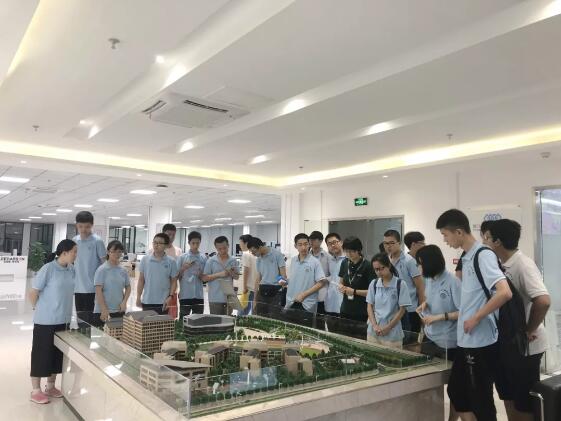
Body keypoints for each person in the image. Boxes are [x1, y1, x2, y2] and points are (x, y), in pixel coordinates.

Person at [437, 209, 512, 421]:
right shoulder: (467, 256)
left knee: (481, 401)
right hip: (467, 340)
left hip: (481, 341)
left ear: (459, 232)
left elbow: (504, 292)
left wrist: (476, 317)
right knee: (457, 391)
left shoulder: (483, 255)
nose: (445, 240)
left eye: (445, 235)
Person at [487, 219, 550, 421]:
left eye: (487, 238)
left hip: (526, 346)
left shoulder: (522, 264)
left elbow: (543, 301)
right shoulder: (501, 264)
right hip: (509, 343)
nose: (484, 242)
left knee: (523, 402)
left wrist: (528, 330)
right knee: (508, 394)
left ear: (497, 241)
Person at [28, 239, 77, 404]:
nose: (76, 255)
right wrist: (38, 308)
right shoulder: (48, 268)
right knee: (41, 355)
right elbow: (33, 292)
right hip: (45, 321)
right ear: (64, 252)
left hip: (63, 320)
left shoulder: (71, 269)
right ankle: (35, 390)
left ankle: (50, 386)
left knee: (57, 355)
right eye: (74, 252)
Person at [415, 245, 460, 360]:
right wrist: (425, 304)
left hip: (447, 341)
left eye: (420, 264)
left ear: (430, 263)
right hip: (429, 336)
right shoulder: (429, 279)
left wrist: (438, 317)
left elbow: (464, 312)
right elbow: (431, 298)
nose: (418, 267)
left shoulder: (453, 282)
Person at [383, 230, 425, 335]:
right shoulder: (386, 261)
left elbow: (420, 287)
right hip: (392, 310)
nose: (388, 246)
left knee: (410, 341)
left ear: (399, 243)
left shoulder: (409, 261)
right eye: (386, 243)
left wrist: (422, 311)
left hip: (410, 311)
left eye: (392, 243)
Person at [366, 253, 411, 348]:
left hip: (392, 333)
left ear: (389, 265)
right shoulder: (373, 283)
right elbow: (369, 306)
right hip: (373, 331)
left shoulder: (400, 284)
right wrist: (374, 325)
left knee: (392, 357)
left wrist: (388, 327)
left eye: (382, 268)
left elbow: (402, 310)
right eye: (376, 269)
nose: (379, 272)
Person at [284, 233, 326, 328]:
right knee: (289, 331)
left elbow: (321, 283)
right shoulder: (292, 261)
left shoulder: (315, 262)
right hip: (291, 302)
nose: (303, 247)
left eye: (306, 244)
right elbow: (293, 279)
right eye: (300, 244)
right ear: (295, 246)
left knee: (305, 333)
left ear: (309, 245)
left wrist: (304, 295)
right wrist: (285, 282)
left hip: (306, 305)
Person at [337, 237, 375, 339]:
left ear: (359, 250)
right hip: (345, 309)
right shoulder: (344, 263)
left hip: (361, 311)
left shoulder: (368, 266)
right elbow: (341, 282)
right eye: (346, 251)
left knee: (359, 340)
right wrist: (341, 287)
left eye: (352, 251)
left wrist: (354, 291)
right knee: (344, 339)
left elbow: (373, 292)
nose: (349, 254)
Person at [73, 211, 106, 325]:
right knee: (81, 319)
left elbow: (104, 264)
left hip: (93, 288)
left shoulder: (97, 241)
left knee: (92, 320)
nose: (83, 229)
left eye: (87, 227)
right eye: (80, 226)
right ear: (76, 225)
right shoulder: (74, 240)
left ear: (92, 225)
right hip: (78, 287)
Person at [136, 233, 179, 315]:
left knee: (161, 323)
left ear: (166, 246)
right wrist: (138, 297)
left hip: (163, 302)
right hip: (147, 301)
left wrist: (170, 297)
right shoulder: (145, 260)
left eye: (159, 243)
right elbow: (141, 280)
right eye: (155, 242)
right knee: (147, 323)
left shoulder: (171, 261)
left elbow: (174, 281)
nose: (156, 245)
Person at [92, 240, 131, 327]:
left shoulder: (123, 270)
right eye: (114, 251)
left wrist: (124, 302)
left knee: (118, 335)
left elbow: (128, 287)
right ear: (108, 252)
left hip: (119, 310)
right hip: (103, 311)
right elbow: (98, 291)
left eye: (119, 252)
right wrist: (103, 309)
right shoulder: (101, 270)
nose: (117, 254)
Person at [248, 236, 287, 318]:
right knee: (260, 317)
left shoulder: (277, 254)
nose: (253, 254)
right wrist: (254, 299)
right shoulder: (259, 259)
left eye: (254, 252)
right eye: (251, 252)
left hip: (276, 292)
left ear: (260, 247)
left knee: (274, 318)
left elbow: (283, 275)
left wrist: (283, 293)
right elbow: (258, 278)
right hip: (262, 290)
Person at [202, 236, 240, 315]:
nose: (223, 251)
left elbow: (237, 277)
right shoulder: (211, 261)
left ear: (228, 245)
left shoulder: (233, 260)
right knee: (216, 321)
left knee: (228, 320)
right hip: (215, 298)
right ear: (216, 248)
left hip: (229, 298)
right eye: (219, 249)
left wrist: (232, 273)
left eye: (225, 248)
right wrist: (220, 274)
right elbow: (204, 278)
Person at [177, 231, 207, 316]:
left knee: (198, 320)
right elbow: (176, 277)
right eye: (193, 243)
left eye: (198, 243)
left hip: (199, 295)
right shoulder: (182, 258)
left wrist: (200, 274)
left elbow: (206, 278)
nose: (195, 245)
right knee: (183, 319)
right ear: (189, 243)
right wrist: (183, 268)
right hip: (185, 295)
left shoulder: (203, 258)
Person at [324, 233, 346, 334]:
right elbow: (332, 277)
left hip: (343, 305)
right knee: (332, 336)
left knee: (345, 336)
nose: (333, 245)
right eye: (329, 244)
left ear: (341, 242)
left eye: (335, 242)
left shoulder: (348, 259)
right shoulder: (330, 260)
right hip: (330, 304)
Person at [309, 231, 330, 328]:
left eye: (314, 240)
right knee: (308, 321)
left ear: (320, 241)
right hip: (308, 292)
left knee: (320, 321)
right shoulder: (307, 256)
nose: (311, 242)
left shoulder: (327, 256)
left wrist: (323, 279)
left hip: (322, 293)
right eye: (310, 240)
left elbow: (332, 275)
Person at [239, 235, 257, 315]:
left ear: (246, 243)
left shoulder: (246, 254)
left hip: (249, 288)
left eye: (240, 243)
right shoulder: (255, 254)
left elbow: (246, 271)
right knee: (253, 310)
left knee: (242, 312)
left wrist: (244, 287)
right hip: (256, 287)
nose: (240, 245)